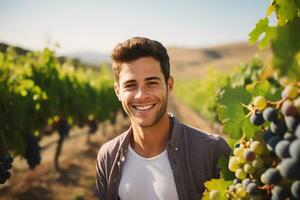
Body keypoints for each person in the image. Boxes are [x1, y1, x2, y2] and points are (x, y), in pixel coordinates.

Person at [96, 37, 231, 200]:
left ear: (170, 86)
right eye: (130, 85)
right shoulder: (107, 156)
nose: (141, 95)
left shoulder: (212, 151)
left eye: (151, 83)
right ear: (118, 92)